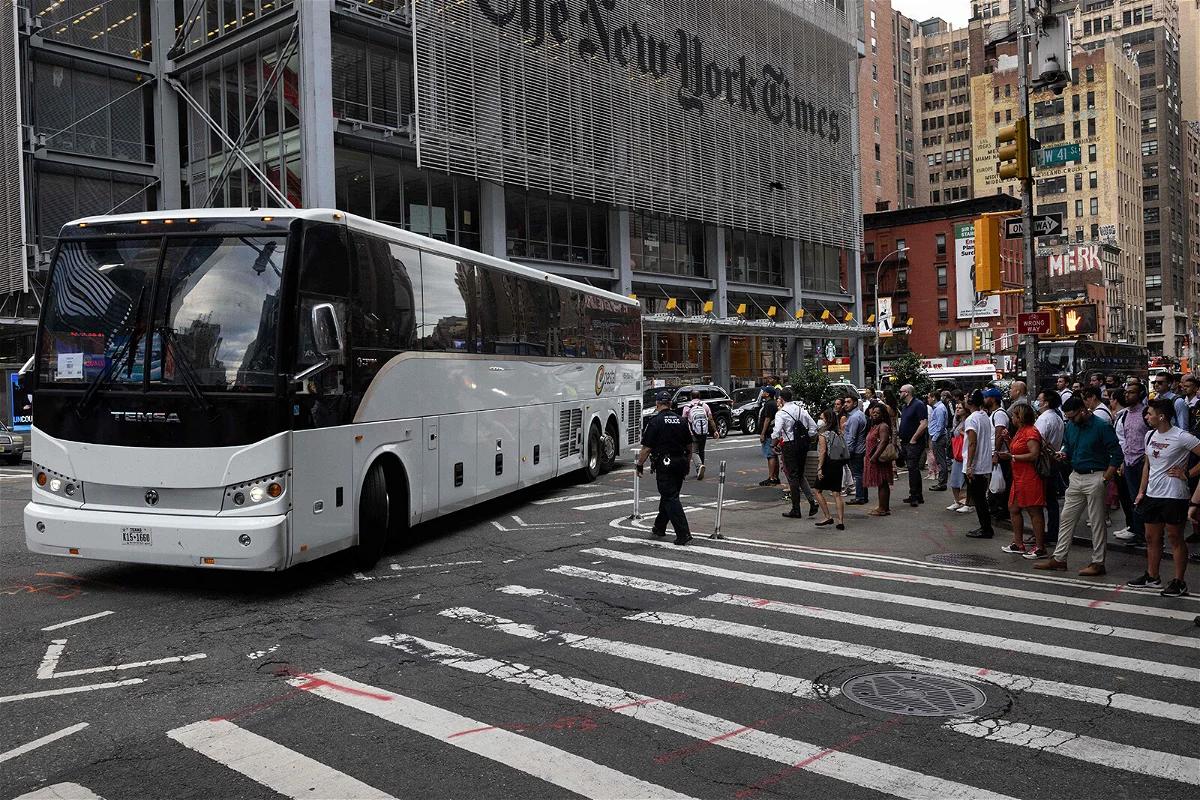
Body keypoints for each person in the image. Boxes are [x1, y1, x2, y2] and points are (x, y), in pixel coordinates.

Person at [1034, 397, 1122, 576]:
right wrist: (1064, 453)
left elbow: (1116, 453)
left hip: (1095, 475)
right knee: (1067, 518)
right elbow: (1068, 445)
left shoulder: (1101, 426)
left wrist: (1106, 478)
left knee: (1097, 522)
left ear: (1083, 410)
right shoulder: (1072, 426)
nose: (1071, 420)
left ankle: (1098, 562)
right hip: (1077, 474)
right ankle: (1059, 558)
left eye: (1073, 416)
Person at [1125, 398, 1200, 597]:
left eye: (1149, 413)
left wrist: (1188, 474)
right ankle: (1152, 576)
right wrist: (1141, 491)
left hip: (1174, 495)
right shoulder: (1150, 435)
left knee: (1175, 538)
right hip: (1152, 494)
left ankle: (1179, 581)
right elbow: (1147, 466)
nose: (1146, 417)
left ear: (1162, 416)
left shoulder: (1182, 437)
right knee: (1152, 537)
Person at [636, 389, 694, 545]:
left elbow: (646, 448)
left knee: (670, 497)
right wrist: (688, 463)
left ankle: (683, 533)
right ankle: (659, 526)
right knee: (669, 495)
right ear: (670, 404)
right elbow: (689, 446)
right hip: (680, 462)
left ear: (657, 404)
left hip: (665, 463)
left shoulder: (655, 422)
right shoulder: (681, 420)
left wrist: (639, 465)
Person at [1003, 404, 1047, 558]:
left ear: (1020, 417)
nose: (1012, 418)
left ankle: (1040, 547)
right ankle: (1018, 543)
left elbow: (1034, 455)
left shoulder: (1031, 432)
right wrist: (1008, 440)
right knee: (1014, 508)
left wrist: (1012, 457)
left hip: (1029, 477)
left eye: (1014, 416)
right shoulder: (1021, 431)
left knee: (1034, 511)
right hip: (1019, 477)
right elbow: (1017, 450)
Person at [1113, 384, 1149, 547]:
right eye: (1126, 392)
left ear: (1140, 394)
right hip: (1129, 462)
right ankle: (1137, 530)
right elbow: (1125, 438)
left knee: (1143, 498)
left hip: (1142, 462)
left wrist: (1146, 458)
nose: (1127, 395)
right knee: (1132, 498)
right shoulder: (1125, 414)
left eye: (1131, 393)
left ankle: (1145, 534)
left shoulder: (1146, 413)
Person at [776, 389, 819, 519]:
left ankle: (796, 509)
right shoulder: (801, 410)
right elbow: (813, 427)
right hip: (802, 445)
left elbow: (777, 431)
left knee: (793, 476)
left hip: (789, 446)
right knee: (799, 475)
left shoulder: (781, 413)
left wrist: (774, 443)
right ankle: (812, 502)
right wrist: (807, 437)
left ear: (782, 399)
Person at [964, 390, 996, 539]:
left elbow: (972, 443)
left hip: (976, 465)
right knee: (981, 498)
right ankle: (985, 526)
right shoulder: (984, 416)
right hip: (984, 463)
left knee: (979, 499)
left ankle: (986, 528)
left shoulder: (972, 419)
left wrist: (970, 465)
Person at [1035, 389, 1065, 544]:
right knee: (1051, 500)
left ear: (1046, 402)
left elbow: (1036, 441)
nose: (1037, 402)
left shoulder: (1044, 419)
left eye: (1040, 400)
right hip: (1053, 460)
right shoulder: (1057, 418)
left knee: (1042, 499)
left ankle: (1044, 533)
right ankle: (1052, 532)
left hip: (1044, 462)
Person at [814, 409, 849, 530]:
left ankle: (827, 516)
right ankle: (840, 521)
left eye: (822, 418)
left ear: (827, 420)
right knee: (837, 493)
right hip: (837, 463)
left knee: (817, 490)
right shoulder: (838, 432)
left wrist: (819, 468)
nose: (820, 420)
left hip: (827, 464)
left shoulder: (823, 434)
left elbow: (823, 452)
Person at [898, 384, 928, 507]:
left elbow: (924, 423)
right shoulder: (905, 406)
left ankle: (915, 495)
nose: (899, 393)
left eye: (901, 391)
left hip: (914, 442)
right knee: (912, 468)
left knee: (912, 468)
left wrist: (914, 438)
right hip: (906, 441)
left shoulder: (918, 405)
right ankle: (916, 495)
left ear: (907, 393)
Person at [982, 388, 1010, 521]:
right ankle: (995, 508)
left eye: (986, 397)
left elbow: (1000, 434)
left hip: (1000, 455)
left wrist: (996, 454)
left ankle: (1002, 510)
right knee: (995, 482)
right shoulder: (993, 413)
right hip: (995, 454)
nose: (984, 400)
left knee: (1000, 483)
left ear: (992, 399)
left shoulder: (999, 414)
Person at [864, 403, 895, 516]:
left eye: (878, 413)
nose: (874, 415)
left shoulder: (883, 426)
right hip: (874, 457)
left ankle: (883, 509)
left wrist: (874, 457)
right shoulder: (875, 426)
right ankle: (883, 506)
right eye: (873, 413)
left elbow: (883, 442)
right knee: (881, 483)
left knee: (882, 482)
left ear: (883, 415)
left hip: (879, 459)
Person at [681, 390, 718, 480]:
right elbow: (710, 419)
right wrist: (715, 431)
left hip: (692, 432)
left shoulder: (687, 407)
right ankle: (700, 470)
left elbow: (683, 421)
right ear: (699, 396)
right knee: (701, 450)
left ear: (691, 397)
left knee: (694, 451)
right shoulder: (705, 406)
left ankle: (699, 466)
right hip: (704, 432)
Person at [946, 400, 974, 514]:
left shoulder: (968, 421)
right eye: (956, 407)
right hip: (957, 453)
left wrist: (962, 432)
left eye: (960, 408)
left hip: (965, 453)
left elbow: (971, 437)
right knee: (954, 479)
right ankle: (957, 501)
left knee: (965, 481)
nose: (957, 409)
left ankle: (967, 503)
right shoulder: (957, 421)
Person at [843, 396, 869, 505]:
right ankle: (862, 496)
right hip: (860, 449)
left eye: (848, 402)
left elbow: (852, 437)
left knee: (858, 475)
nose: (845, 404)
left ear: (854, 404)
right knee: (860, 474)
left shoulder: (854, 417)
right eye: (845, 402)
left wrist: (848, 452)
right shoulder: (859, 414)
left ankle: (860, 497)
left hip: (856, 450)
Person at [927, 390, 951, 492]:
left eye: (929, 397)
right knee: (940, 460)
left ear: (933, 398)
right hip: (937, 436)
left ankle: (942, 483)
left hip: (939, 437)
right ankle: (941, 482)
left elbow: (940, 426)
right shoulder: (937, 408)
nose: (927, 399)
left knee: (941, 461)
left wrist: (934, 438)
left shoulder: (939, 409)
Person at [757, 387, 781, 487]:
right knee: (774, 455)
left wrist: (762, 433)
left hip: (768, 433)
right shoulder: (772, 403)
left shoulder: (769, 404)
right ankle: (775, 477)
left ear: (767, 394)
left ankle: (771, 478)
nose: (762, 392)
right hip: (772, 432)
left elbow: (767, 419)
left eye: (764, 391)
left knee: (770, 455)